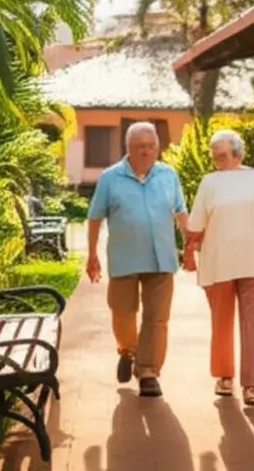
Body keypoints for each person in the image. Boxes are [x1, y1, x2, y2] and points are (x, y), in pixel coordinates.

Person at [183, 129, 254, 406]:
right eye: (215, 156)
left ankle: (250, 385)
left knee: (253, 324)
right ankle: (225, 376)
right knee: (222, 322)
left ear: (238, 153)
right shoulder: (209, 182)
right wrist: (190, 251)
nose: (219, 160)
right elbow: (196, 225)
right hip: (219, 262)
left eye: (223, 155)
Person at [86, 121, 187, 398]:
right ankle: (127, 350)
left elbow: (180, 212)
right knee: (122, 311)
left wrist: (190, 245)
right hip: (124, 256)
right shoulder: (110, 177)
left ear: (158, 148)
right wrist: (92, 253)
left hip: (161, 258)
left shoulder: (169, 175)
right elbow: (95, 217)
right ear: (128, 148)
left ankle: (149, 372)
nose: (146, 152)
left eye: (151, 146)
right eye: (140, 147)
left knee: (157, 319)